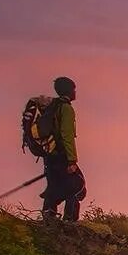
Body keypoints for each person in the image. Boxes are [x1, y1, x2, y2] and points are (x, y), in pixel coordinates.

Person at [40, 76, 85, 222]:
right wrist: (72, 160)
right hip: (62, 155)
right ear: (69, 91)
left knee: (54, 185)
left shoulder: (53, 107)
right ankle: (69, 222)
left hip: (49, 154)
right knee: (76, 186)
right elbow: (67, 136)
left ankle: (49, 217)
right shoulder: (66, 109)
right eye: (74, 89)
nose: (75, 93)